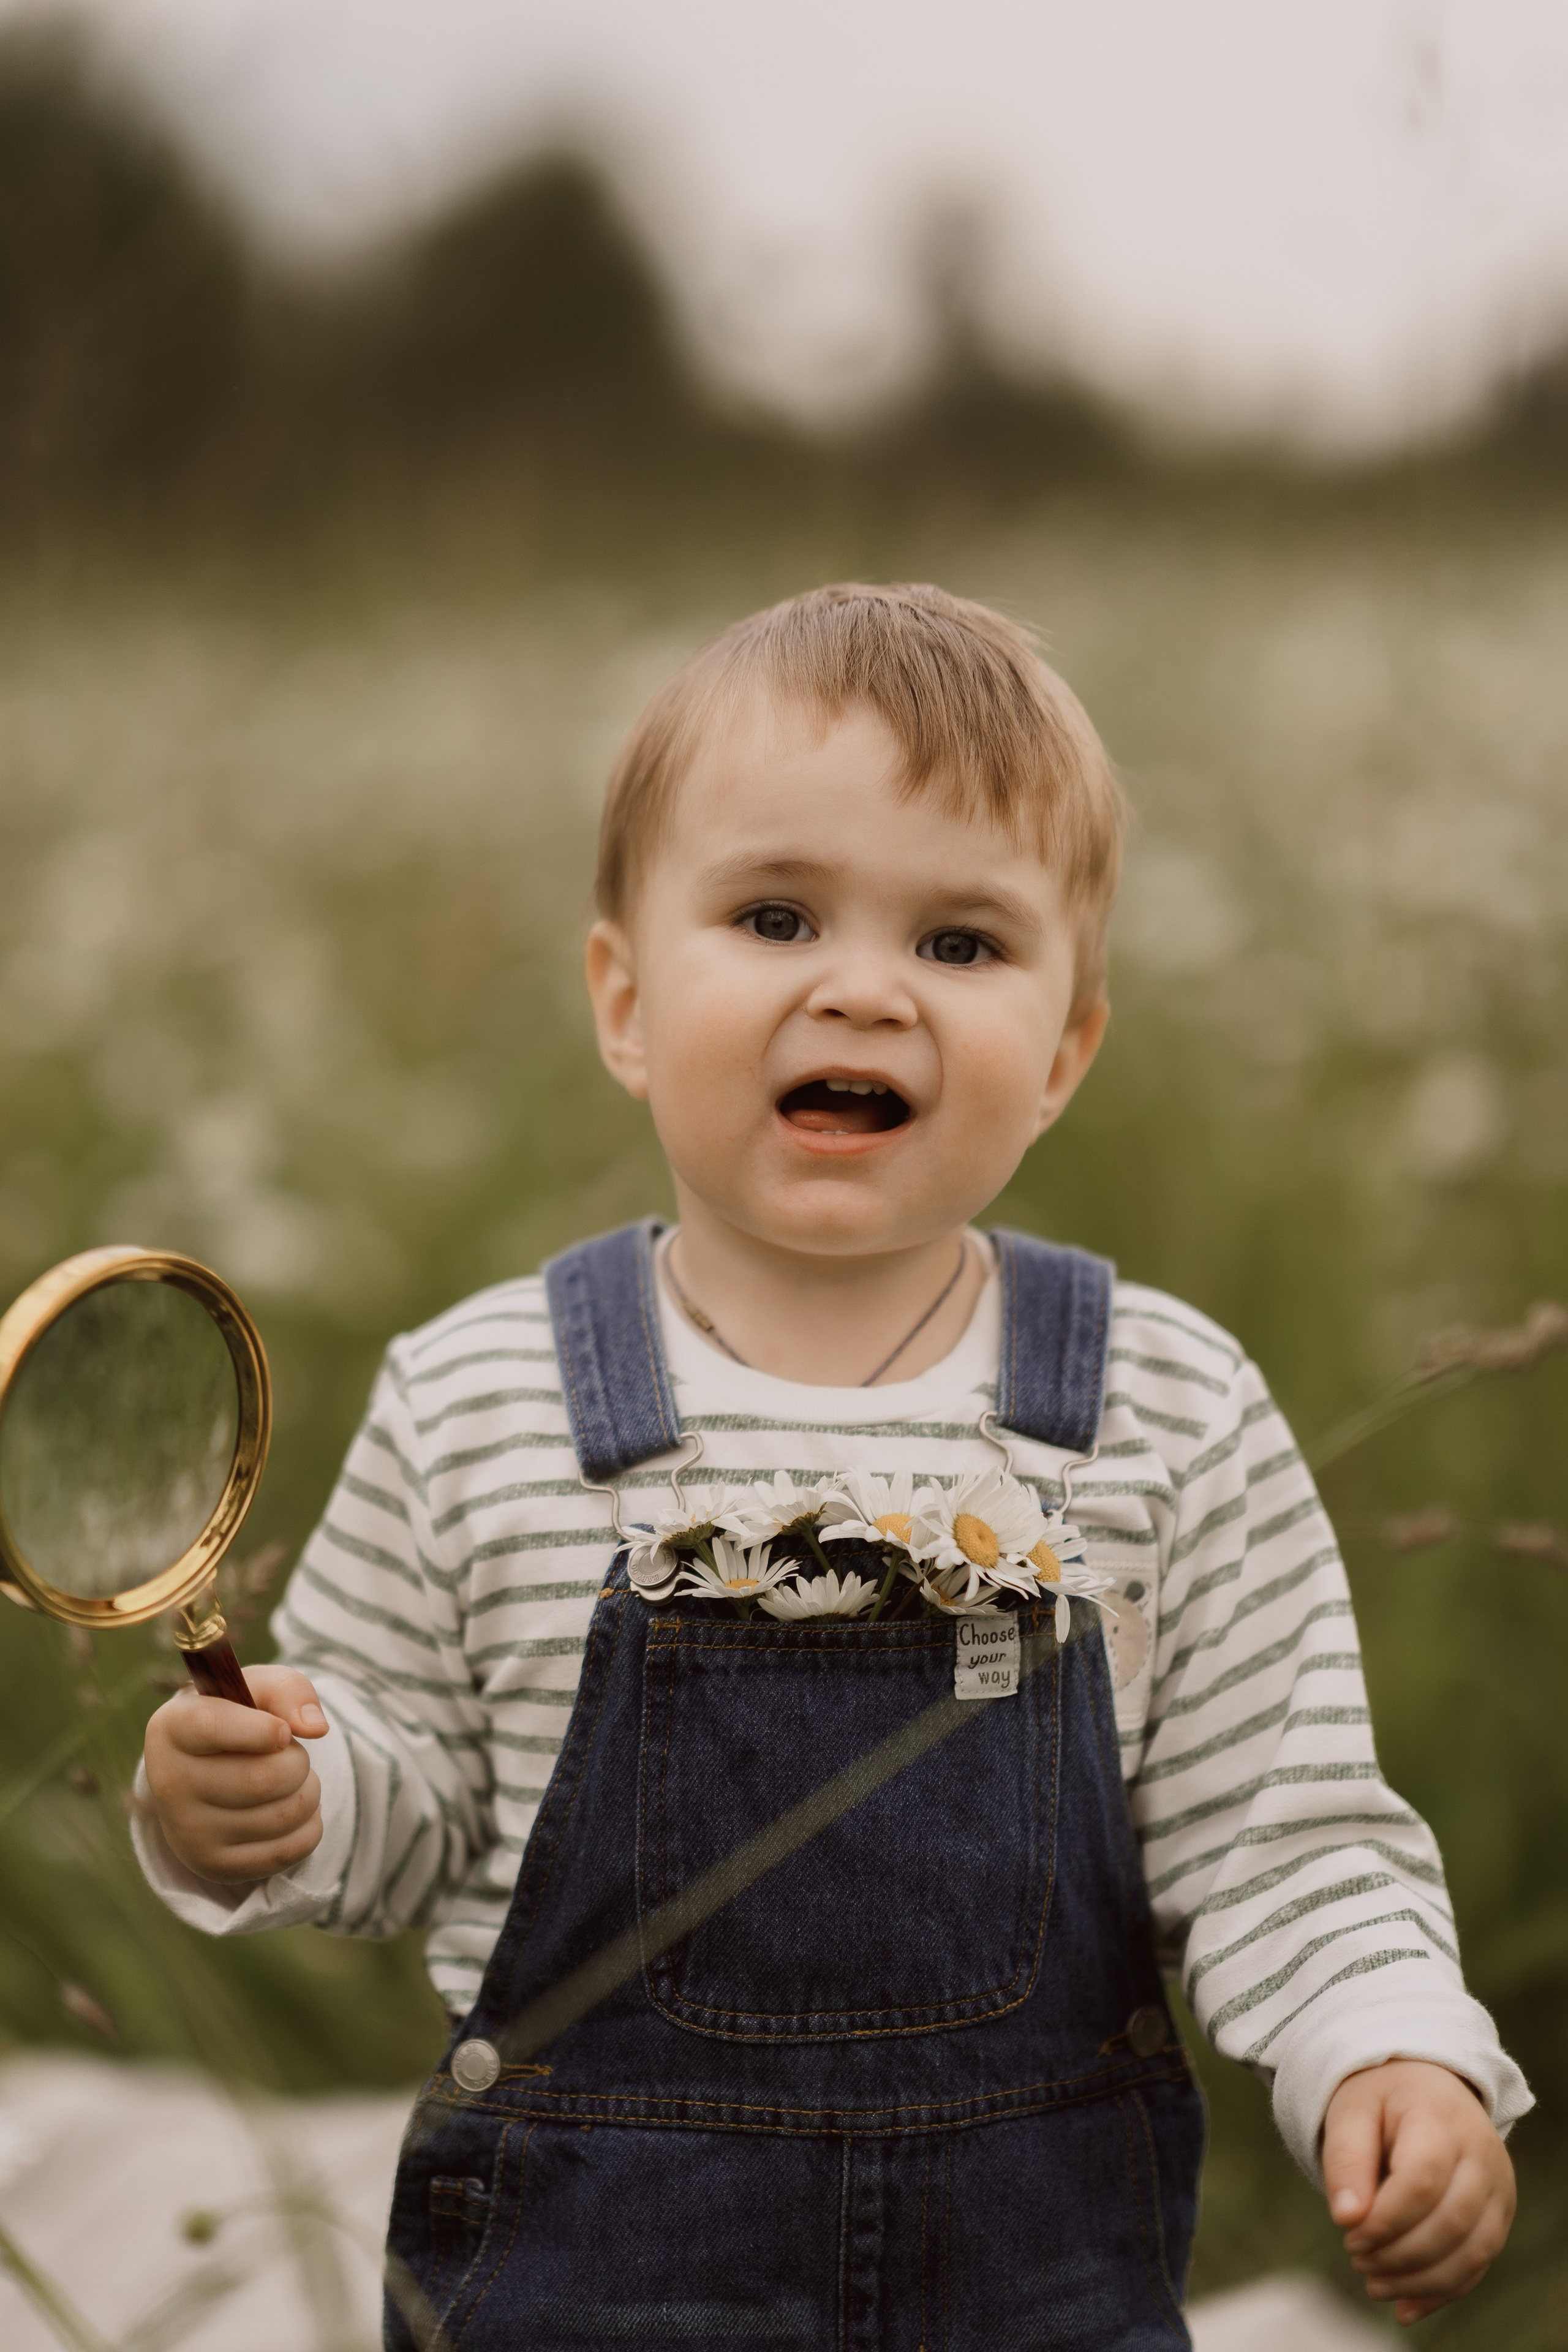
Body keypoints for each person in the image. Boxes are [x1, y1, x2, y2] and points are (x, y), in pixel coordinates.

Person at [137, 584, 1526, 2347]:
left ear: (1067, 1053)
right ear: (625, 1001)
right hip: (589, 2290)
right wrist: (272, 1804)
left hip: (1032, 2293)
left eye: (963, 944)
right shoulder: (480, 1397)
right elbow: (406, 1795)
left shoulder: (1164, 1413)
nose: (863, 990)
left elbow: (1289, 1836)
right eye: (777, 914)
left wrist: (1387, 2048)